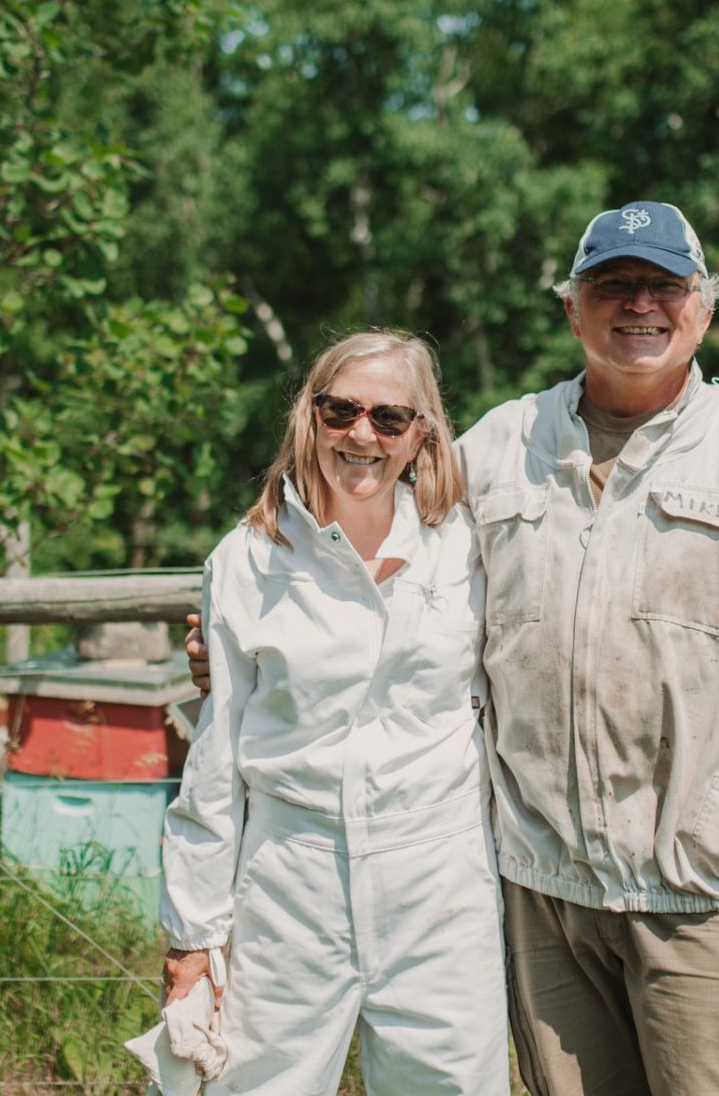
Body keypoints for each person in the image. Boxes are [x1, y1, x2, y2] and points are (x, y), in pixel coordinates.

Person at [189, 202, 719, 1095]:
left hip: (700, 885)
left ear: (703, 308)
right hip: (543, 896)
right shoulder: (502, 447)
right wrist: (246, 643)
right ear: (571, 308)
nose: (640, 305)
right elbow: (390, 567)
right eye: (613, 284)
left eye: (665, 286)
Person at [159, 330, 509, 1096]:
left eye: (389, 418)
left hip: (440, 879)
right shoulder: (249, 559)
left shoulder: (468, 550)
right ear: (308, 417)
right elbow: (216, 759)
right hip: (291, 877)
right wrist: (192, 936)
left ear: (423, 434)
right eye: (340, 409)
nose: (362, 434)